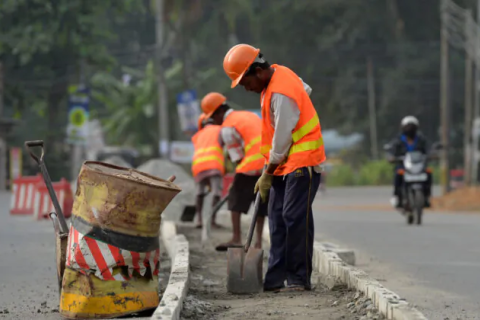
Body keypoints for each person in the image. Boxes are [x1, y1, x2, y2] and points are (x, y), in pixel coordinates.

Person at [223, 44, 326, 292]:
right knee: (277, 219)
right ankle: (275, 279)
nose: (246, 88)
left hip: (303, 160)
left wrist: (266, 173)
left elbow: (281, 139)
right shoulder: (278, 76)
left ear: (256, 71)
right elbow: (306, 90)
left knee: (293, 216)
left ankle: (299, 279)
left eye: (244, 82)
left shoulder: (281, 93)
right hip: (283, 162)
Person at [200, 92, 268, 251]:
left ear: (218, 113)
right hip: (268, 164)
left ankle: (237, 238)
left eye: (213, 118)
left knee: (234, 199)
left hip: (251, 165)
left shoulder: (227, 127)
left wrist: (235, 177)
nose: (214, 122)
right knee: (260, 203)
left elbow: (238, 158)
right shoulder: (247, 114)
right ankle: (258, 243)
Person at [387, 116, 432, 208]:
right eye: (407, 126)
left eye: (412, 126)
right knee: (398, 174)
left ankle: (427, 196)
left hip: (419, 166)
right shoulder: (399, 140)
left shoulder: (421, 139)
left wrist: (432, 154)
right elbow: (392, 149)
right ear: (403, 128)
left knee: (429, 173)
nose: (410, 129)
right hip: (403, 165)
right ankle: (397, 195)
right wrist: (391, 156)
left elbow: (428, 149)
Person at [191, 113, 225, 229]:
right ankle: (212, 220)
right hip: (214, 164)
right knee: (216, 192)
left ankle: (199, 219)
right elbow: (226, 147)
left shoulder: (197, 135)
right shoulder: (219, 130)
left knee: (199, 192)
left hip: (198, 166)